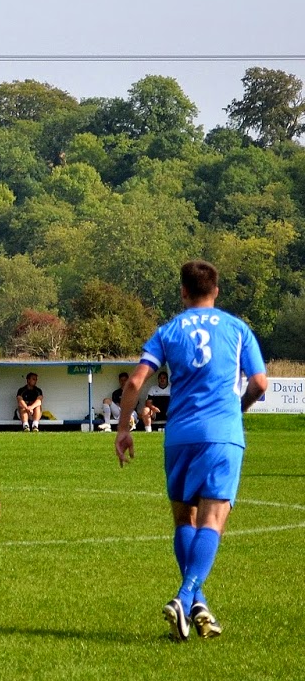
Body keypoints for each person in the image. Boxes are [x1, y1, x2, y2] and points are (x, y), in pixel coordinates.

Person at [116, 260, 268, 641]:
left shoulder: (168, 331)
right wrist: (238, 408)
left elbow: (135, 381)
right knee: (213, 522)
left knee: (185, 520)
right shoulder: (237, 329)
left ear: (183, 291)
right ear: (215, 290)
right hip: (222, 434)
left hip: (180, 436)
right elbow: (260, 383)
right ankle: (185, 597)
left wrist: (123, 429)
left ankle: (196, 603)